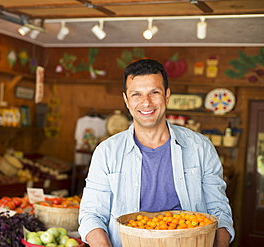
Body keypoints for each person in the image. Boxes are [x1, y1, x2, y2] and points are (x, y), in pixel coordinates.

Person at [78, 59, 234, 247]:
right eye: (136, 94)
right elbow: (91, 215)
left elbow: (219, 211)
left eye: (154, 92)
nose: (146, 102)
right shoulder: (106, 152)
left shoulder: (200, 147)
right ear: (126, 100)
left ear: (167, 96)